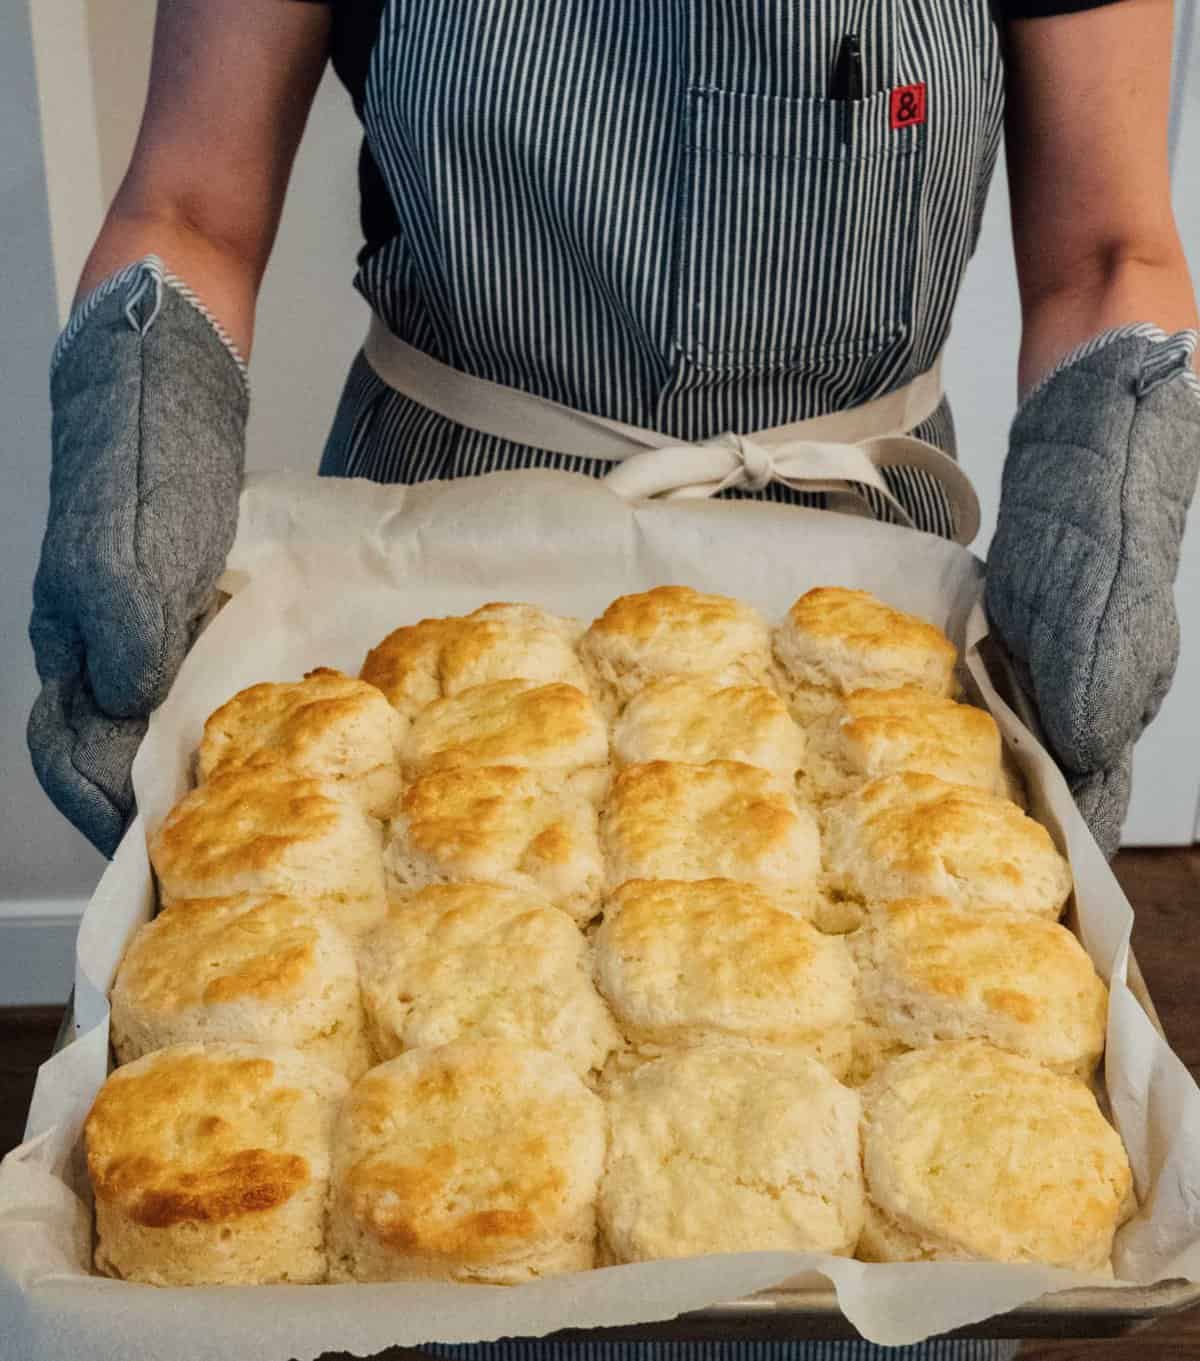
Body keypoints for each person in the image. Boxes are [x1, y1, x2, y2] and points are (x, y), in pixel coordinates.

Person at [24, 0, 1199, 1354]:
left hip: (859, 621)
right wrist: (135, 443)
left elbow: (1112, 248)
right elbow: (189, 201)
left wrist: (1103, 490)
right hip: (429, 598)